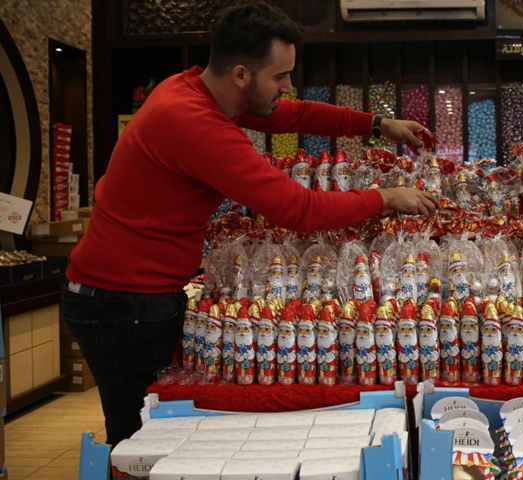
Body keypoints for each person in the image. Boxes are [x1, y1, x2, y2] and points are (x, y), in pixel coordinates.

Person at [62, 2, 436, 447]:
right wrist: (387, 197)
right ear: (241, 74)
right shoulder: (197, 125)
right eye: (279, 77)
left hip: (127, 293)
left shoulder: (196, 90)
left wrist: (377, 123)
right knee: (139, 441)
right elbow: (299, 210)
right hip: (124, 302)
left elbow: (295, 114)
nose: (288, 86)